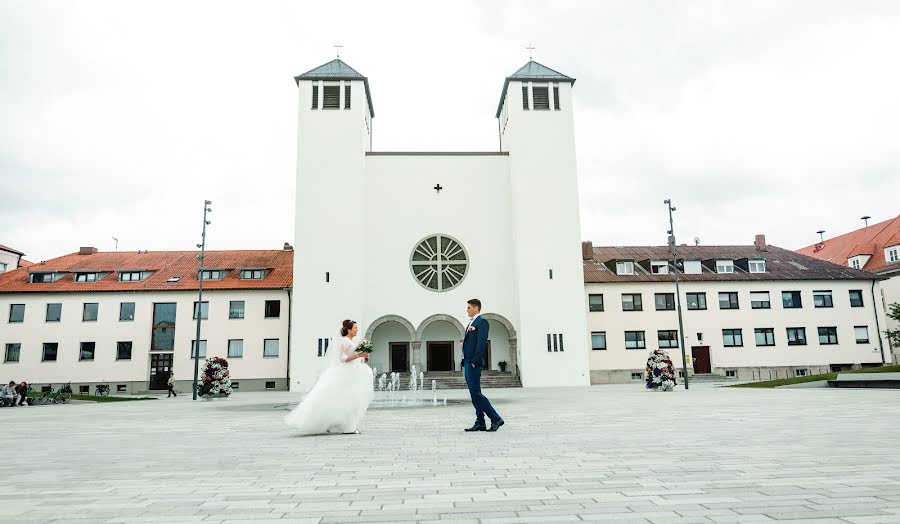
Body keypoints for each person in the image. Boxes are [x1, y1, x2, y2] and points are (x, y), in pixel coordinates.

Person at [284, 320, 374, 435]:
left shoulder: (349, 341)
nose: (357, 330)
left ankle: (341, 424)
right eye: (355, 328)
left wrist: (362, 354)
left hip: (352, 371)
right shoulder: (345, 341)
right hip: (347, 372)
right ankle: (348, 427)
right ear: (349, 329)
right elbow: (342, 358)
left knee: (344, 399)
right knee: (349, 399)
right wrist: (359, 355)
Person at [462, 299, 504, 432]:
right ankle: (480, 421)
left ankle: (495, 418)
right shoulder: (471, 323)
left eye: (469, 307)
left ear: (476, 308)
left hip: (474, 363)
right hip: (468, 361)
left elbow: (481, 343)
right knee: (474, 394)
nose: (467, 309)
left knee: (476, 393)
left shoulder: (482, 322)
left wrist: (474, 360)